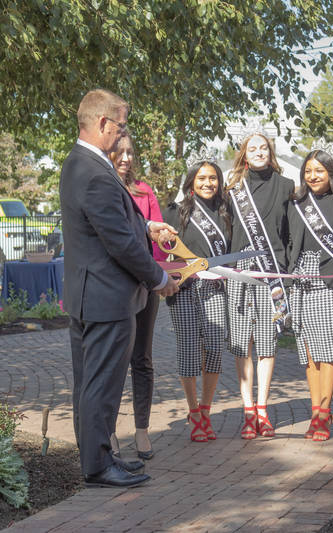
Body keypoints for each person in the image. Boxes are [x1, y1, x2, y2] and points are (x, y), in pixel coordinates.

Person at [60, 89, 179, 488]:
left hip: (89, 295)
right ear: (102, 124)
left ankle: (99, 456)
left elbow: (104, 222)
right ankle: (96, 466)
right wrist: (160, 278)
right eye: (121, 125)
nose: (123, 133)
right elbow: (118, 243)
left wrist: (145, 225)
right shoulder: (94, 171)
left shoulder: (80, 164)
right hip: (107, 298)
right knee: (101, 386)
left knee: (90, 384)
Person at [226, 124, 294, 439]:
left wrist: (287, 270)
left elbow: (290, 233)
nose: (258, 153)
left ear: (270, 152)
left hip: (272, 272)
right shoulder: (233, 188)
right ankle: (248, 410)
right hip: (240, 270)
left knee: (267, 343)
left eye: (263, 148)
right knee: (244, 343)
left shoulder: (286, 185)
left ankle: (263, 410)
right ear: (244, 154)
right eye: (252, 149)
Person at [162, 148, 230, 443]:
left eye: (212, 177)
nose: (207, 183)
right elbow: (161, 252)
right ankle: (195, 412)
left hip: (216, 289)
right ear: (191, 182)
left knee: (214, 349)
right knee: (189, 351)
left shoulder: (226, 213)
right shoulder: (173, 212)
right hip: (184, 290)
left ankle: (206, 407)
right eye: (202, 177)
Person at [288, 140, 333, 441]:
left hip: (331, 280)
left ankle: (325, 414)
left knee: (329, 350)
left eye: (320, 170)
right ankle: (316, 410)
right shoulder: (297, 204)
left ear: (331, 172)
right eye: (309, 171)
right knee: (310, 351)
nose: (313, 176)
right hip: (303, 279)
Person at [108, 133, 165, 460]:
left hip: (146, 283)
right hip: (116, 286)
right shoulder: (105, 189)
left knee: (141, 359)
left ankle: (141, 429)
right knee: (115, 360)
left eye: (131, 151)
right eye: (120, 151)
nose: (126, 157)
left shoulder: (145, 192)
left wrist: (160, 276)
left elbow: (156, 240)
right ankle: (109, 431)